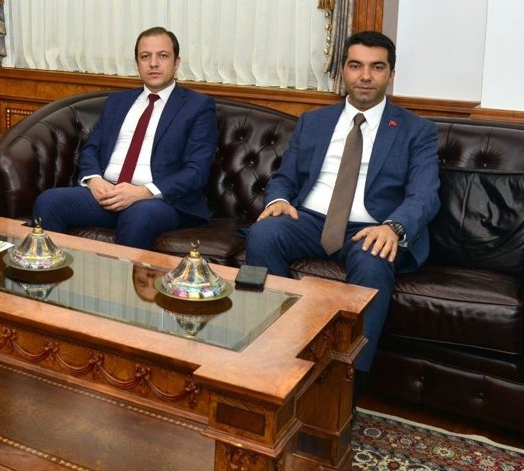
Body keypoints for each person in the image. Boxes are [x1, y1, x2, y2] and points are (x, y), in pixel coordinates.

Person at [243, 30, 440, 375]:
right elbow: (285, 177)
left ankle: (347, 381)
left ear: (391, 74)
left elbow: (425, 194)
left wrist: (393, 228)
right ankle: (271, 351)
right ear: (343, 72)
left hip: (371, 228)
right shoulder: (314, 122)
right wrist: (278, 200)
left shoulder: (416, 130)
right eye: (355, 65)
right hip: (309, 220)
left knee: (373, 258)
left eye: (377, 67)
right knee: (263, 233)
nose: (365, 76)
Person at [31, 27, 218, 249]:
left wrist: (142, 192)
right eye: (145, 56)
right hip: (108, 192)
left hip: (159, 201)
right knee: (49, 202)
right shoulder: (118, 102)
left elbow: (197, 171)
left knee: (139, 216)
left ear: (177, 62)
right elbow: (91, 148)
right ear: (137, 63)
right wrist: (94, 180)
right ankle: (54, 270)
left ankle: (120, 275)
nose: (153, 63)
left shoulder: (197, 106)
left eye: (163, 56)